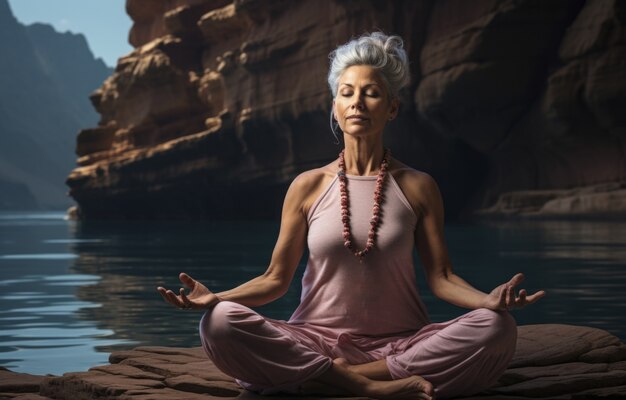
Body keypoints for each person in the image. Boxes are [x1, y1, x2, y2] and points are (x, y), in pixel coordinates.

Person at [158, 32, 545, 399]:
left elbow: (442, 278)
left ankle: (328, 378)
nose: (358, 101)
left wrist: (487, 300)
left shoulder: (418, 186)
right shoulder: (307, 186)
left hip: (403, 342)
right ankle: (372, 387)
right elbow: (275, 280)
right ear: (335, 108)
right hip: (313, 340)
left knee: (497, 328)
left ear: (392, 108)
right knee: (219, 322)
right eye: (347, 93)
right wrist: (214, 298)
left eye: (372, 93)